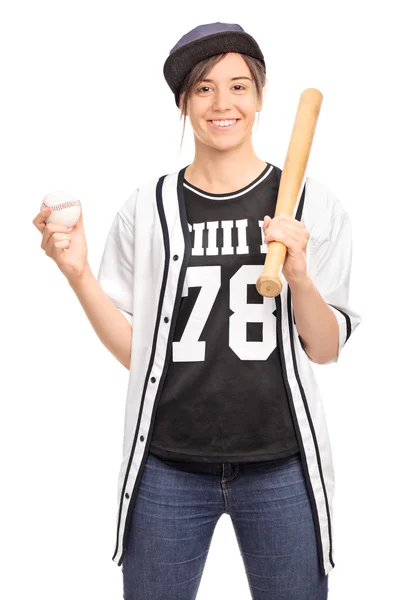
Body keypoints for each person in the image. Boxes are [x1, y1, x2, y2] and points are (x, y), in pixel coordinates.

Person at [32, 21, 361, 600]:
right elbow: (139, 353)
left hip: (281, 464)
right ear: (183, 102)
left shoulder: (310, 202)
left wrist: (301, 278)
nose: (222, 103)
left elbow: (327, 349)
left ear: (259, 98)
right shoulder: (148, 207)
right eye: (204, 88)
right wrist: (78, 274)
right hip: (167, 466)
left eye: (239, 86)